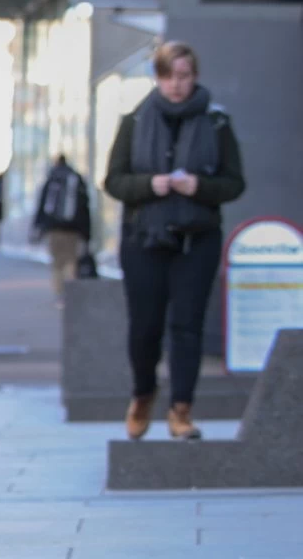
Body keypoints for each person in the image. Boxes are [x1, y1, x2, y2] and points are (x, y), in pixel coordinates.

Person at [104, 41, 245, 442]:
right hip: (143, 238)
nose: (176, 84)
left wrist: (199, 186)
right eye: (167, 76)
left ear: (194, 76)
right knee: (145, 328)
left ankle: (181, 410)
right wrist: (151, 184)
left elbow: (234, 183)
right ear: (158, 78)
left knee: (187, 326)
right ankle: (143, 394)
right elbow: (113, 181)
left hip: (196, 239)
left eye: (183, 76)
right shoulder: (135, 120)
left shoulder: (217, 122)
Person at [30, 154, 92, 302]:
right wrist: (87, 233)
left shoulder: (52, 180)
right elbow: (84, 208)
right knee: (71, 261)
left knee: (57, 262)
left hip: (54, 229)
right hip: (73, 230)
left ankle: (59, 294)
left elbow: (42, 206)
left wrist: (38, 227)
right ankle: (69, 295)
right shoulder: (76, 179)